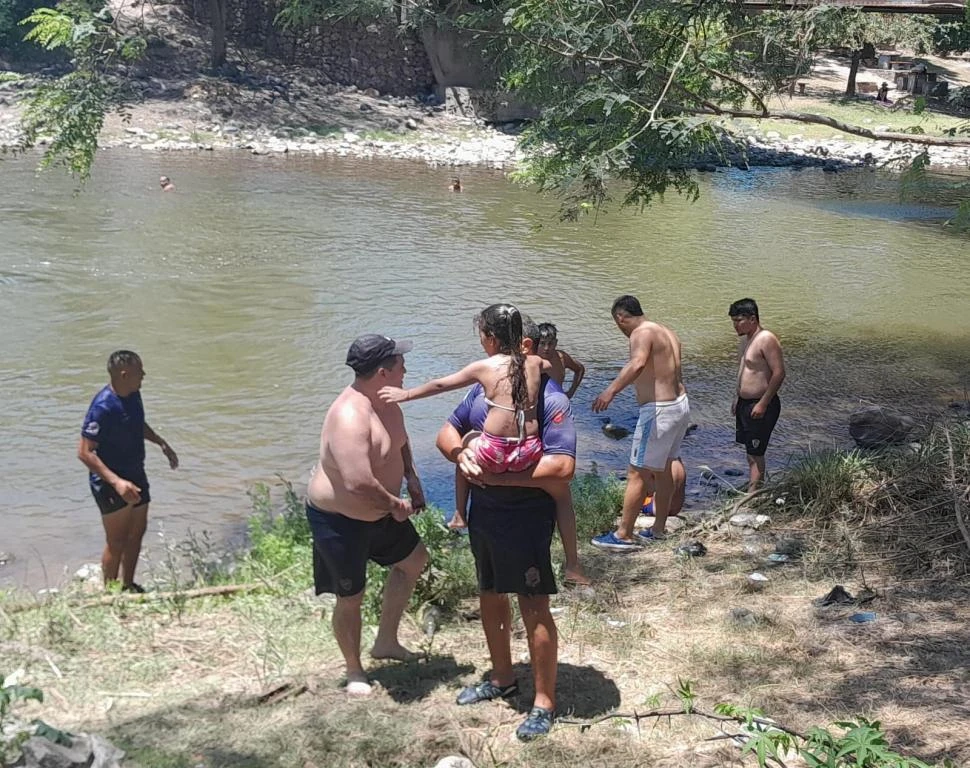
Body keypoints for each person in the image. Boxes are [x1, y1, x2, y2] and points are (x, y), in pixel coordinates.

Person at [435, 319, 577, 741]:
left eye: (491, 343)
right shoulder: (481, 392)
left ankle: (544, 702)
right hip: (486, 515)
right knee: (490, 595)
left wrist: (496, 478)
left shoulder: (551, 400)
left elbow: (563, 466)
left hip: (528, 517)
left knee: (533, 604)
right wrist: (461, 455)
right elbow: (447, 431)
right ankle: (501, 677)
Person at [306, 334, 429, 696]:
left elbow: (401, 442)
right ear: (381, 372)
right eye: (399, 363)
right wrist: (396, 504)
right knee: (351, 597)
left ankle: (386, 642)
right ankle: (354, 670)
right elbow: (357, 481)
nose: (405, 368)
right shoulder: (349, 415)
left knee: (414, 560)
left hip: (382, 513)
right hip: (339, 520)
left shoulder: (389, 402)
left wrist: (412, 477)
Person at [379, 304, 552, 536]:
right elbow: (553, 366)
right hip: (530, 452)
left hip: (495, 455)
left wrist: (406, 394)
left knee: (466, 441)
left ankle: (460, 514)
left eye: (481, 335)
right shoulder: (535, 363)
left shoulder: (484, 367)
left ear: (490, 338)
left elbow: (441, 384)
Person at [591, 295, 690, 551]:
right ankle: (657, 529)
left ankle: (623, 535)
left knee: (637, 472)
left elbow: (637, 364)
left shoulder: (640, 333)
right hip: (679, 405)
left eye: (618, 323)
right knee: (665, 467)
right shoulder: (666, 331)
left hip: (658, 410)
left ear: (620, 317)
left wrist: (610, 391)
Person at [78, 351, 179, 592]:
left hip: (136, 472)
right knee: (117, 541)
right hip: (110, 482)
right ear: (124, 375)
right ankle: (110, 595)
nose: (144, 375)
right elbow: (84, 452)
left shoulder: (133, 395)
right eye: (139, 372)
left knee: (137, 533)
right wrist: (117, 482)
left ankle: (128, 585)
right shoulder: (103, 407)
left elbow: (136, 422)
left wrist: (160, 442)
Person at [730, 298, 785, 490]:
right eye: (733, 321)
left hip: (761, 404)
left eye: (738, 320)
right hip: (745, 404)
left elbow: (779, 373)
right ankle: (754, 487)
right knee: (749, 451)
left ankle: (752, 497)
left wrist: (763, 403)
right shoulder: (745, 340)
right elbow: (743, 371)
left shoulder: (766, 339)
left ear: (752, 319)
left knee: (756, 453)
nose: (735, 325)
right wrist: (737, 397)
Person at [536, 322, 586, 399]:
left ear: (556, 343)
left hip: (557, 404)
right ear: (535, 343)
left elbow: (580, 369)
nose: (546, 348)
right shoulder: (530, 360)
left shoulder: (561, 358)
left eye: (550, 344)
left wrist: (570, 392)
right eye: (542, 343)